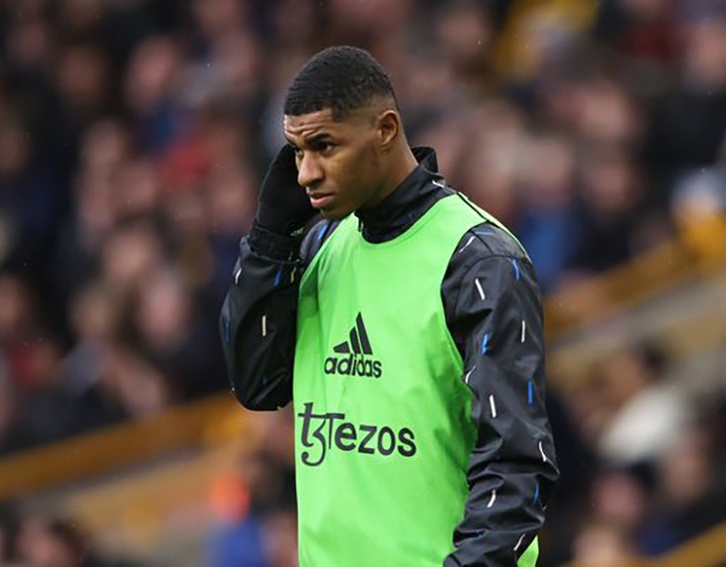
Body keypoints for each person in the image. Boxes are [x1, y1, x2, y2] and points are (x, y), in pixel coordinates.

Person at [219, 45, 559, 567]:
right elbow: (256, 383)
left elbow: (517, 464)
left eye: (324, 145)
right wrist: (269, 240)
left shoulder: (477, 262)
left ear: (385, 130)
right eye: (296, 152)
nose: (306, 173)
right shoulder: (317, 247)